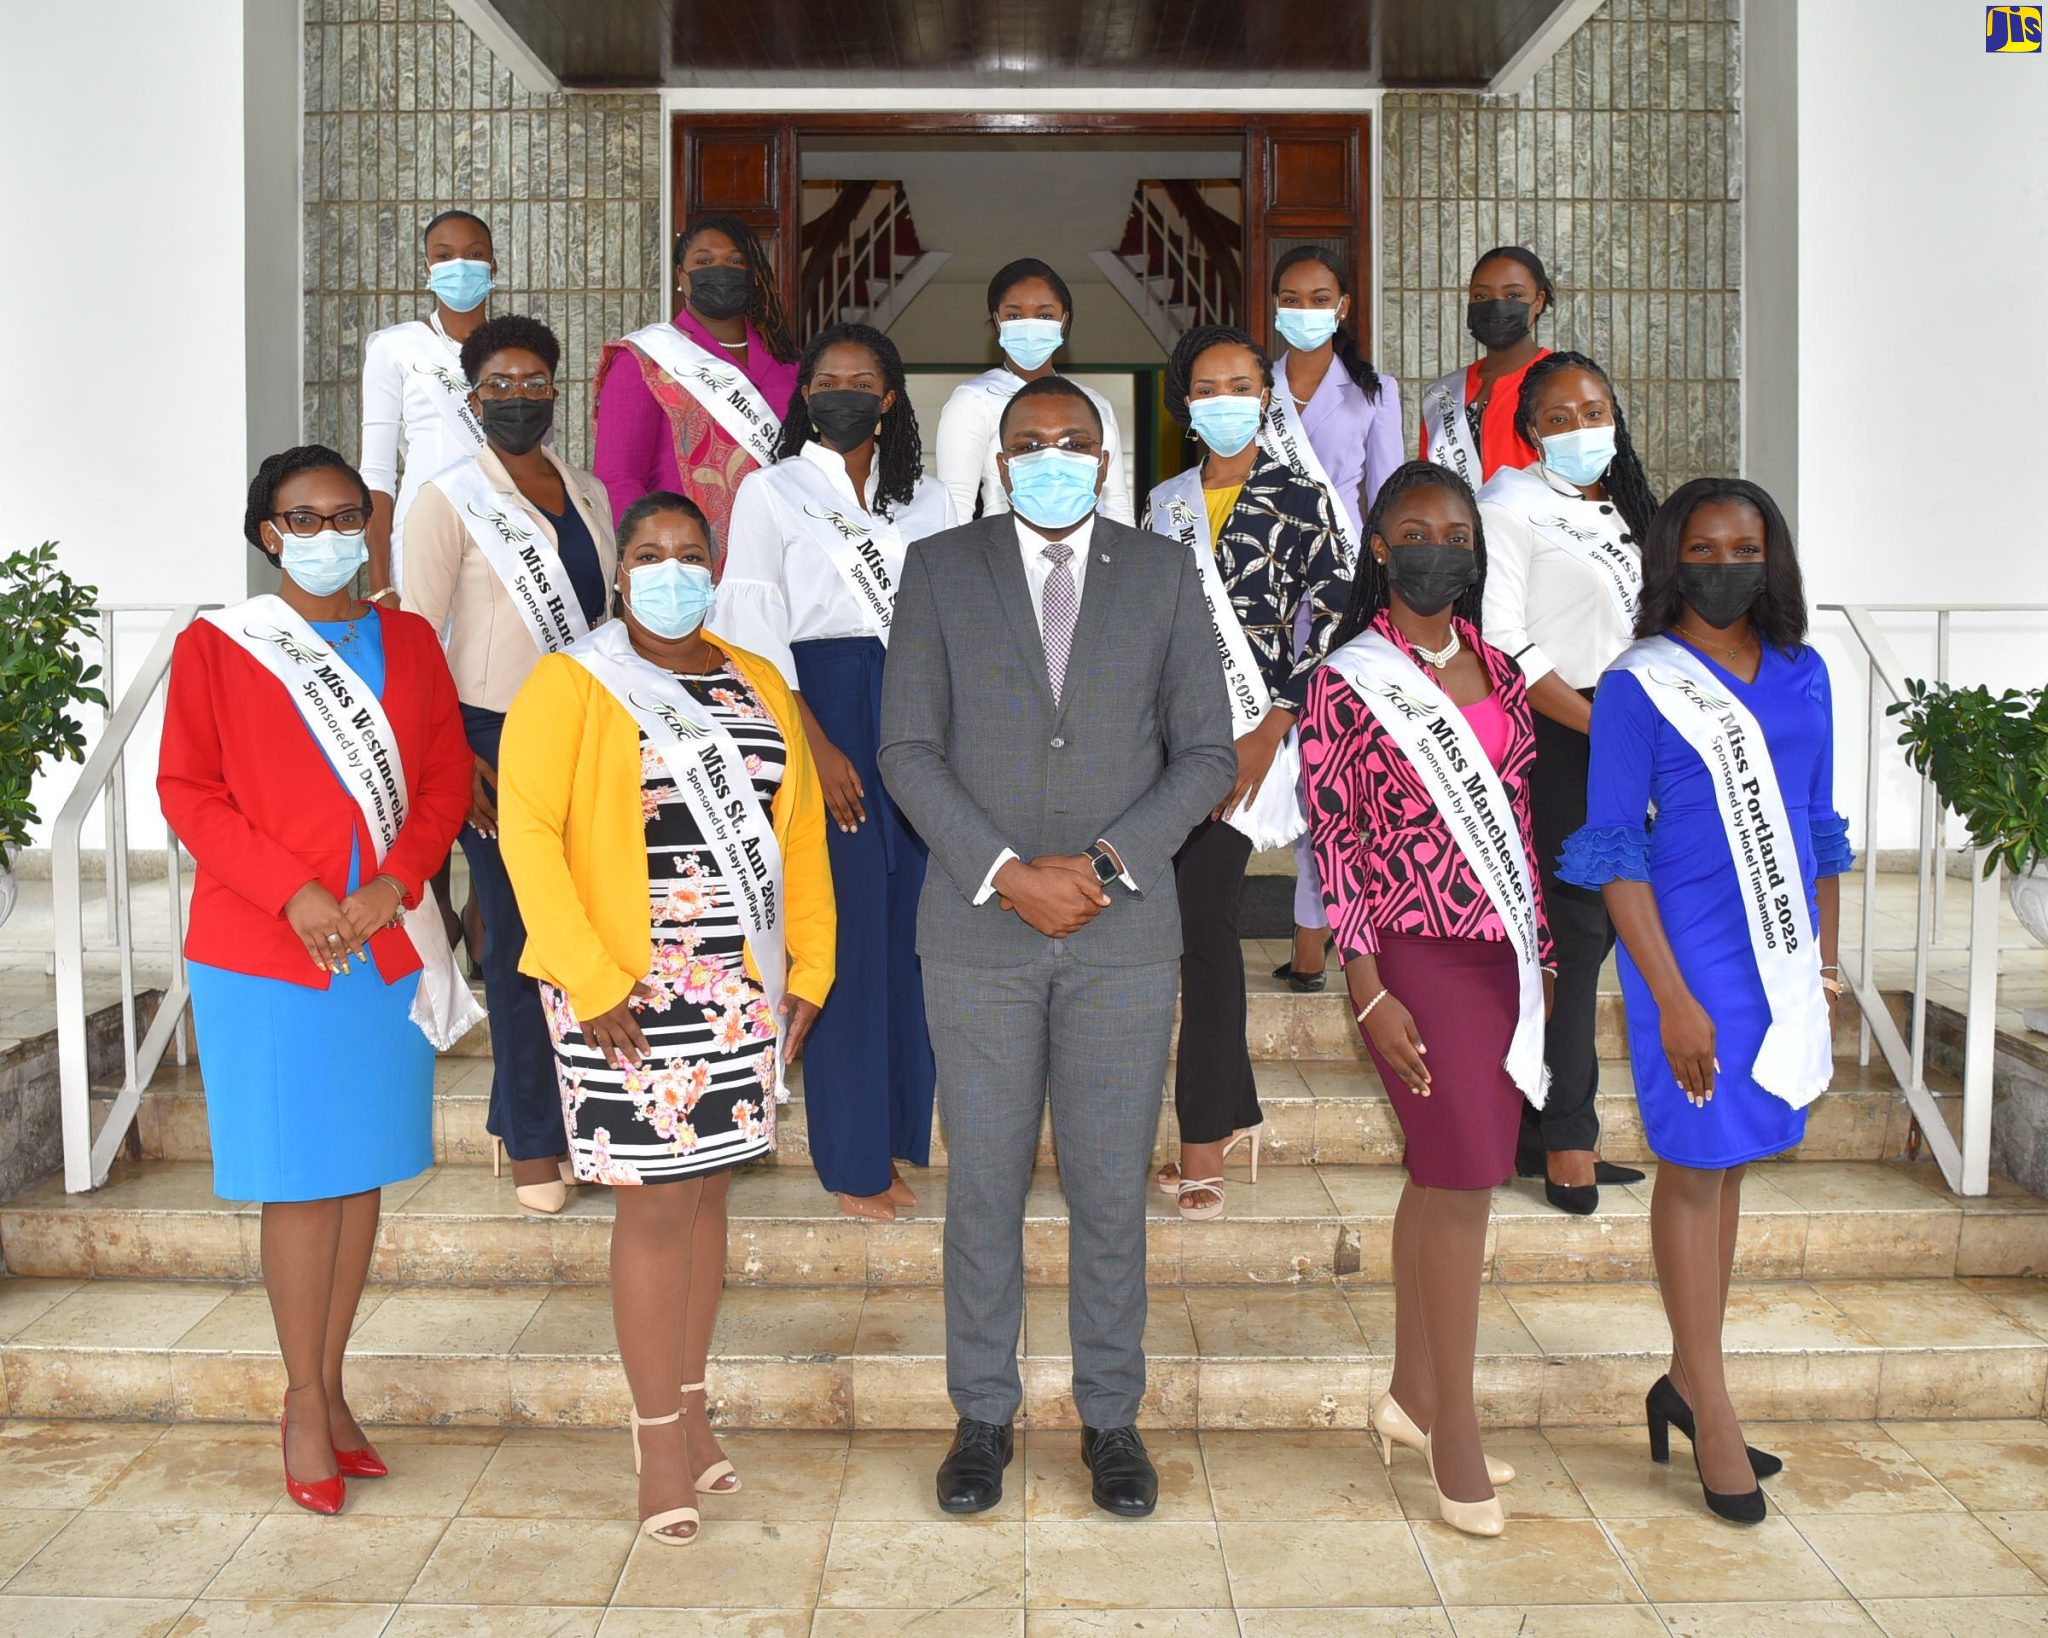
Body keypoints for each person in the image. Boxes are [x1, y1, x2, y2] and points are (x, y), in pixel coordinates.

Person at [879, 376, 1233, 1520]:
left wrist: (1107, 864)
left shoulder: (1165, 574)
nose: (1048, 457)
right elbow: (905, 750)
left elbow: (1204, 755)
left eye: (1070, 442)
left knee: (1105, 1192)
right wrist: (1006, 875)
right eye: (1025, 442)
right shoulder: (937, 571)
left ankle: (1109, 1420)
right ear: (995, 457)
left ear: (1105, 456)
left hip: (1120, 935)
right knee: (980, 1187)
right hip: (978, 931)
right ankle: (980, 1414)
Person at [496, 490, 835, 1545]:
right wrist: (591, 983)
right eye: (649, 554)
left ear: (716, 564)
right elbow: (528, 834)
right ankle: (653, 1440)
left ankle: (690, 1411)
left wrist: (811, 972)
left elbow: (799, 836)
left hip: (739, 986)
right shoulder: (570, 682)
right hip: (623, 996)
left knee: (705, 1199)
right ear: (619, 569)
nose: (671, 571)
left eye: (690, 554)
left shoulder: (757, 680)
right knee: (652, 1208)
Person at [158, 446, 472, 1514]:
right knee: (300, 1179)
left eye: (347, 515)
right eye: (304, 517)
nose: (330, 533)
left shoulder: (412, 642)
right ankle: (300, 1401)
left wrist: (394, 881)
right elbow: (189, 792)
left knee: (359, 1171)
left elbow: (441, 780)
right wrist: (293, 893)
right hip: (267, 950)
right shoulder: (218, 647)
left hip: (380, 944)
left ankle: (334, 1389)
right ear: (267, 533)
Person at [1560, 477, 1850, 1525]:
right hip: (1678, 953)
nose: (1723, 565)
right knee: (1691, 1164)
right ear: (1670, 561)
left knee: (1727, 1167)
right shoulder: (1637, 684)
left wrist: (1819, 963)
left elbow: (1816, 828)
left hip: (1774, 957)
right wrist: (1669, 999)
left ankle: (1688, 1381)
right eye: (1703, 548)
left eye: (1743, 548)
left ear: (1769, 560)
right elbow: (1611, 851)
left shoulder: (1804, 673)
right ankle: (1709, 1402)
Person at [1300, 459, 1554, 1540]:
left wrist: (1540, 954)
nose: (1437, 547)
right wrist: (1362, 985)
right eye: (1414, 530)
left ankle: (1410, 1395)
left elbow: (1524, 817)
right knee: (1461, 1179)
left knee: (1450, 1180)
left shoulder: (1500, 669)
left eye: (1454, 531)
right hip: (1412, 955)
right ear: (1377, 549)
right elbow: (1336, 839)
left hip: (1505, 953)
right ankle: (1453, 1430)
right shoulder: (1344, 677)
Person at [719, 323, 955, 1222]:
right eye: (828, 380)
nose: (845, 392)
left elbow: (942, 625)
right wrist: (814, 745)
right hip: (819, 705)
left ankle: (898, 1135)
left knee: (912, 935)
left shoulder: (926, 500)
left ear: (891, 397)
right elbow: (751, 636)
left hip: (916, 709)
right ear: (805, 396)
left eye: (864, 379)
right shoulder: (769, 493)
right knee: (848, 935)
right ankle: (851, 1160)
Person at [401, 314, 617, 1215]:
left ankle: (564, 1116)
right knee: (524, 939)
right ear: (472, 395)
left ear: (555, 391)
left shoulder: (592, 492)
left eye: (535, 383)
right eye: (500, 385)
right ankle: (535, 1144)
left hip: (589, 736)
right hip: (490, 740)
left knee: (588, 928)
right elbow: (413, 644)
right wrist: (454, 760)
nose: (518, 398)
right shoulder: (448, 498)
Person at [1140, 325, 1348, 1220]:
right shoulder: (1162, 504)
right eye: (1207, 386)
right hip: (1165, 745)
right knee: (1190, 927)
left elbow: (1328, 622)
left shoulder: (1307, 501)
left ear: (1267, 394)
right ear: (1185, 402)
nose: (1225, 399)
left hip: (1256, 738)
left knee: (1203, 925)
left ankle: (1202, 1140)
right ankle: (1235, 1111)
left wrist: (1270, 729)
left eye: (1241, 383)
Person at [1478, 351, 1660, 1216]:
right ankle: (1566, 1142)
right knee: (1578, 935)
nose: (1582, 427)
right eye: (1558, 416)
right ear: (1529, 432)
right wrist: (1600, 725)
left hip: (1642, 733)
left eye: (1595, 410)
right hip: (1564, 733)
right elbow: (1502, 637)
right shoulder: (1509, 505)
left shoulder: (1630, 508)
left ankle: (1540, 1125)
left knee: (1601, 935)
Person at [1267, 246, 1403, 992]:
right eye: (1291, 296)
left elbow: (1387, 500)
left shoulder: (1376, 391)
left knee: (1331, 765)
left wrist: (1384, 603)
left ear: (1344, 305)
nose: (1305, 308)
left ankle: (1315, 936)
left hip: (1343, 595)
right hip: (1264, 593)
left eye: (1320, 296)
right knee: (1271, 755)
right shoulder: (1252, 387)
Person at [593, 214, 800, 542]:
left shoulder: (791, 364)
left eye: (735, 260)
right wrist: (649, 558)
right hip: (686, 560)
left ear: (753, 274)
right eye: (704, 261)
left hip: (786, 556)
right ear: (681, 275)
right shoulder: (644, 359)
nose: (720, 270)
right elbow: (619, 478)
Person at [933, 257, 1136, 526]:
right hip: (1002, 554)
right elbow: (954, 507)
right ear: (997, 320)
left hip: (1087, 555)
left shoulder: (1095, 403)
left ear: (1064, 321)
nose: (1029, 326)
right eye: (1015, 315)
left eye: (1044, 315)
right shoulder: (974, 399)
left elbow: (1116, 505)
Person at [359, 209, 495, 598]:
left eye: (474, 254)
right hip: (420, 538)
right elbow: (377, 476)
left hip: (505, 542)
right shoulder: (395, 347)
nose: (460, 266)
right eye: (444, 255)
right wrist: (381, 585)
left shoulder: (517, 351)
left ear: (493, 265)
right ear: (428, 269)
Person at [1418, 246, 1555, 487]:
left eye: (1513, 295)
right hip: (1460, 524)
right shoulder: (1443, 393)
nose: (1496, 306)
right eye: (1481, 296)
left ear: (1539, 301)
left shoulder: (1562, 380)